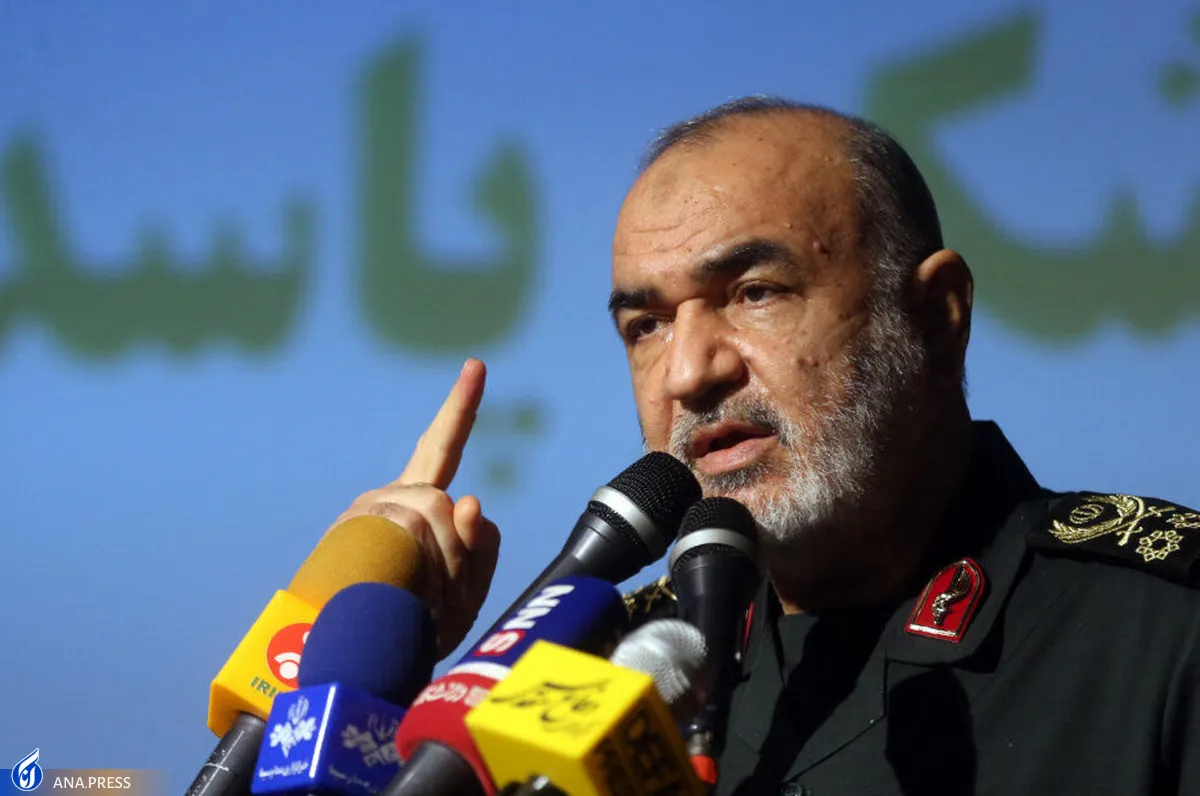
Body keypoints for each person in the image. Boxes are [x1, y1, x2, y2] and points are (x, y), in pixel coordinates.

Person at [330, 97, 1200, 794]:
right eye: (646, 325)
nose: (688, 372)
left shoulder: (1159, 633)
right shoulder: (601, 676)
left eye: (754, 292)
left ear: (937, 319)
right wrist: (381, 702)